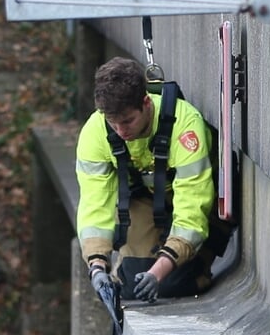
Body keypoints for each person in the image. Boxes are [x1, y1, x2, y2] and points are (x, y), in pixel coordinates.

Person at [77, 57, 217, 303]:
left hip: (195, 202)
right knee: (131, 286)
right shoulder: (94, 132)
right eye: (113, 123)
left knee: (174, 283)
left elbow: (193, 206)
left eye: (128, 121)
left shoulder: (184, 126)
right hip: (145, 202)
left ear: (146, 103)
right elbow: (94, 205)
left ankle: (199, 262)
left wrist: (159, 270)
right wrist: (96, 265)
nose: (121, 132)